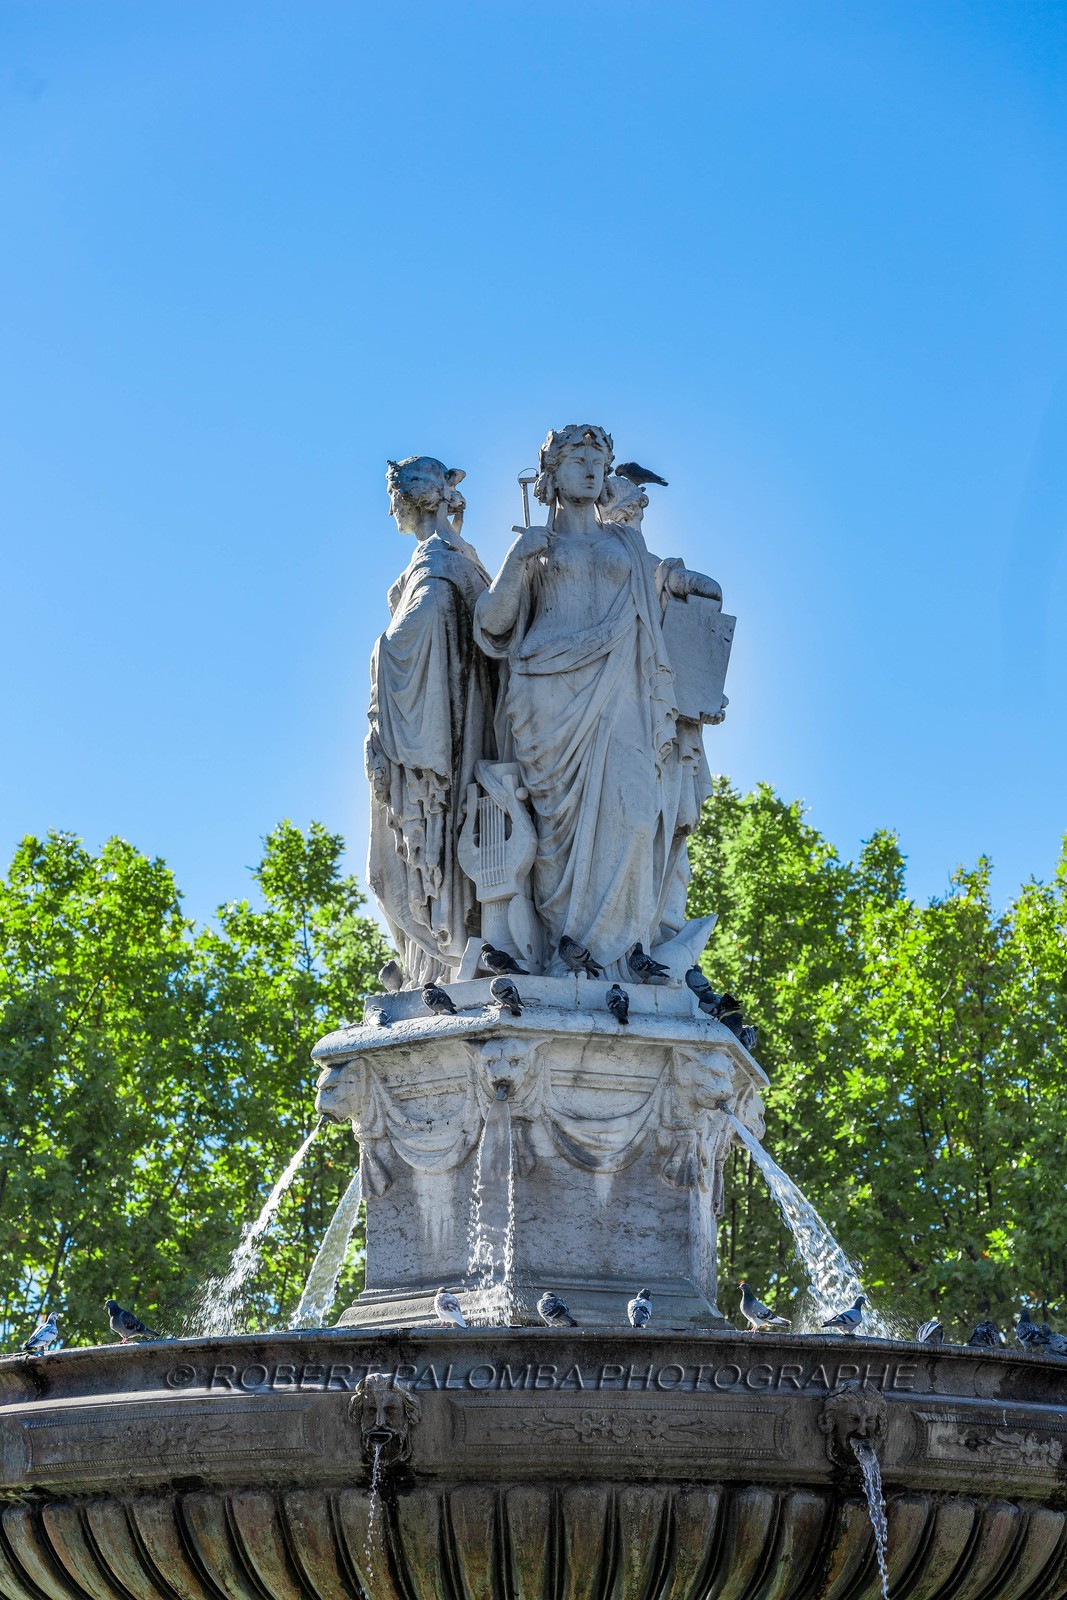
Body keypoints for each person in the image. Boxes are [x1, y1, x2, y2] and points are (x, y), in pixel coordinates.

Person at [474, 424, 720, 974]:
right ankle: (563, 957)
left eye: (598, 461)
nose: (591, 470)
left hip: (620, 695)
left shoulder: (626, 545)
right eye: (577, 460)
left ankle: (618, 960)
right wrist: (516, 563)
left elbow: (663, 592)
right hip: (546, 697)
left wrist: (686, 589)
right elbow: (492, 625)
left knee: (636, 816)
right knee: (553, 835)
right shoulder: (533, 546)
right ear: (551, 474)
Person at [366, 456, 496, 983]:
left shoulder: (437, 564)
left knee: (412, 860)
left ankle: (442, 961)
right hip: (454, 719)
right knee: (419, 861)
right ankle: (438, 960)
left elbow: (414, 634)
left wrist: (382, 651)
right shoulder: (462, 558)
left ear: (406, 498)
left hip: (434, 732)